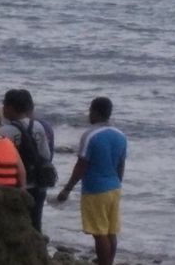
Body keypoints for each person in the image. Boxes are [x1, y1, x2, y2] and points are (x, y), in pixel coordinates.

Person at [57, 97, 127, 265]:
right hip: (114, 187)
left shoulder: (90, 135)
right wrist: (118, 183)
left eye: (90, 111)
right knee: (111, 231)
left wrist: (67, 189)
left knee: (99, 233)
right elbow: (121, 164)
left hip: (95, 189)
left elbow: (82, 164)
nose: (89, 115)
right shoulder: (121, 135)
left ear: (95, 112)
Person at [0, 88, 56, 232]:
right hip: (37, 181)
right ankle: (37, 245)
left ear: (10, 107)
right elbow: (46, 154)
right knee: (35, 223)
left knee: (13, 223)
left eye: (4, 105)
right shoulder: (38, 126)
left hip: (15, 183)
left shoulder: (4, 131)